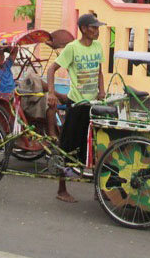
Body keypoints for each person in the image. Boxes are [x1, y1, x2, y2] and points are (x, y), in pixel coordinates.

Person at [47, 12, 105, 203]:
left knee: (96, 147)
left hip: (92, 104)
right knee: (67, 147)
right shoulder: (72, 48)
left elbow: (99, 71)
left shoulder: (97, 47)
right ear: (83, 29)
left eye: (97, 28)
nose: (97, 31)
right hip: (76, 103)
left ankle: (99, 190)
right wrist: (52, 93)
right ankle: (61, 189)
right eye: (93, 28)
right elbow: (52, 69)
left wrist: (102, 91)